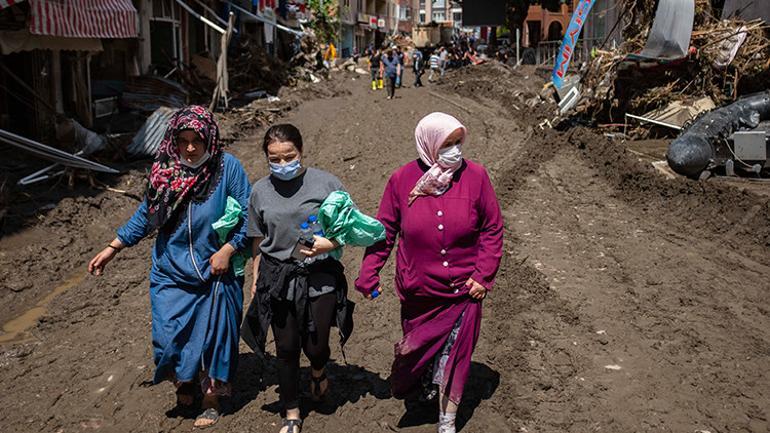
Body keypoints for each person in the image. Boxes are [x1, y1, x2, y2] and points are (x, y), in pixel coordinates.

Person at [87, 106, 251, 428]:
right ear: (173, 140)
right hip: (170, 271)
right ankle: (183, 381)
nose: (190, 148)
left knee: (212, 340)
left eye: (197, 140)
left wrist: (228, 250)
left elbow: (250, 216)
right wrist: (113, 247)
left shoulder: (226, 168)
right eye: (183, 140)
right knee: (168, 337)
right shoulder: (165, 170)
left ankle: (211, 398)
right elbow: (146, 216)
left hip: (215, 270)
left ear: (210, 138)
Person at [355, 112, 503, 433]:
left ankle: (447, 418)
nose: (454, 150)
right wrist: (370, 271)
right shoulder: (401, 180)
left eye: (457, 142)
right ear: (429, 144)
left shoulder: (476, 177)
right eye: (446, 144)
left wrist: (483, 274)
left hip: (464, 290)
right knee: (417, 352)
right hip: (418, 290)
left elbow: (492, 228)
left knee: (455, 355)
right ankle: (423, 381)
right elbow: (385, 231)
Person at [242, 124, 353, 433]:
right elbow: (256, 240)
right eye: (274, 158)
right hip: (278, 277)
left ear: (301, 151)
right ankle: (291, 411)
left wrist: (329, 244)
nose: (282, 164)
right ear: (266, 157)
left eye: (288, 156)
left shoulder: (327, 183)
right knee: (287, 347)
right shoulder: (259, 190)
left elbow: (349, 228)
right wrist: (256, 278)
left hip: (319, 274)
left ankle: (318, 371)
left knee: (316, 344)